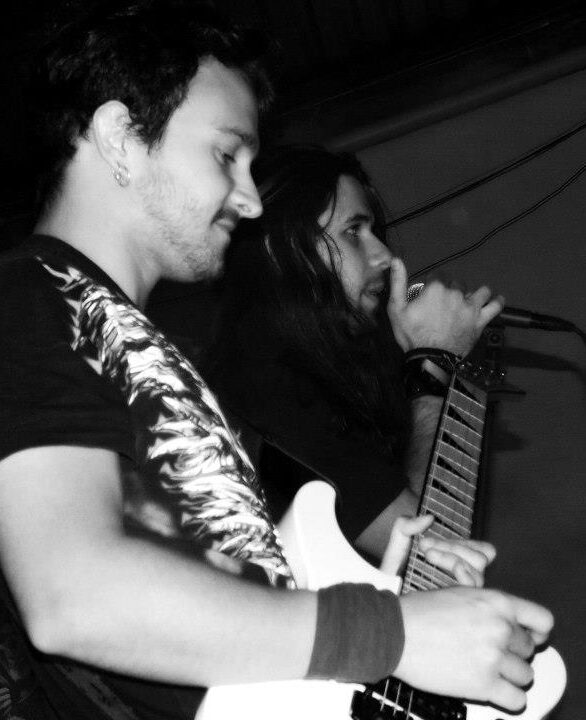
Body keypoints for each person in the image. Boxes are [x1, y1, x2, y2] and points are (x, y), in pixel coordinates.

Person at [0, 3, 552, 719]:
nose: (252, 200)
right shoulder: (27, 296)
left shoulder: (151, 352)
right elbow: (73, 597)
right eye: (226, 155)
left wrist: (372, 586)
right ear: (120, 138)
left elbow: (217, 637)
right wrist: (391, 631)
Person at [204, 145, 500, 565]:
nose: (384, 255)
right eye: (353, 231)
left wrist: (434, 363)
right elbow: (435, 553)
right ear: (278, 248)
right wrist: (433, 363)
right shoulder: (263, 381)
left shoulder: (333, 370)